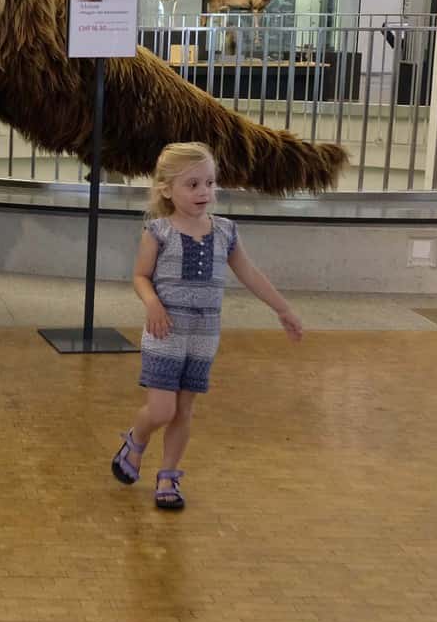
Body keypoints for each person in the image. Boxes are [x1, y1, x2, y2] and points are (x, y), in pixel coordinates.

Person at [110, 142, 303, 510]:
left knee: (184, 410)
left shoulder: (226, 231)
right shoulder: (158, 231)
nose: (204, 192)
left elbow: (249, 273)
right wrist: (152, 303)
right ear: (167, 189)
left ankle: (168, 475)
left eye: (210, 183)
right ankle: (136, 440)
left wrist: (283, 309)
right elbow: (140, 275)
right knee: (162, 410)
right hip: (165, 332)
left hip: (204, 336)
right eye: (193, 184)